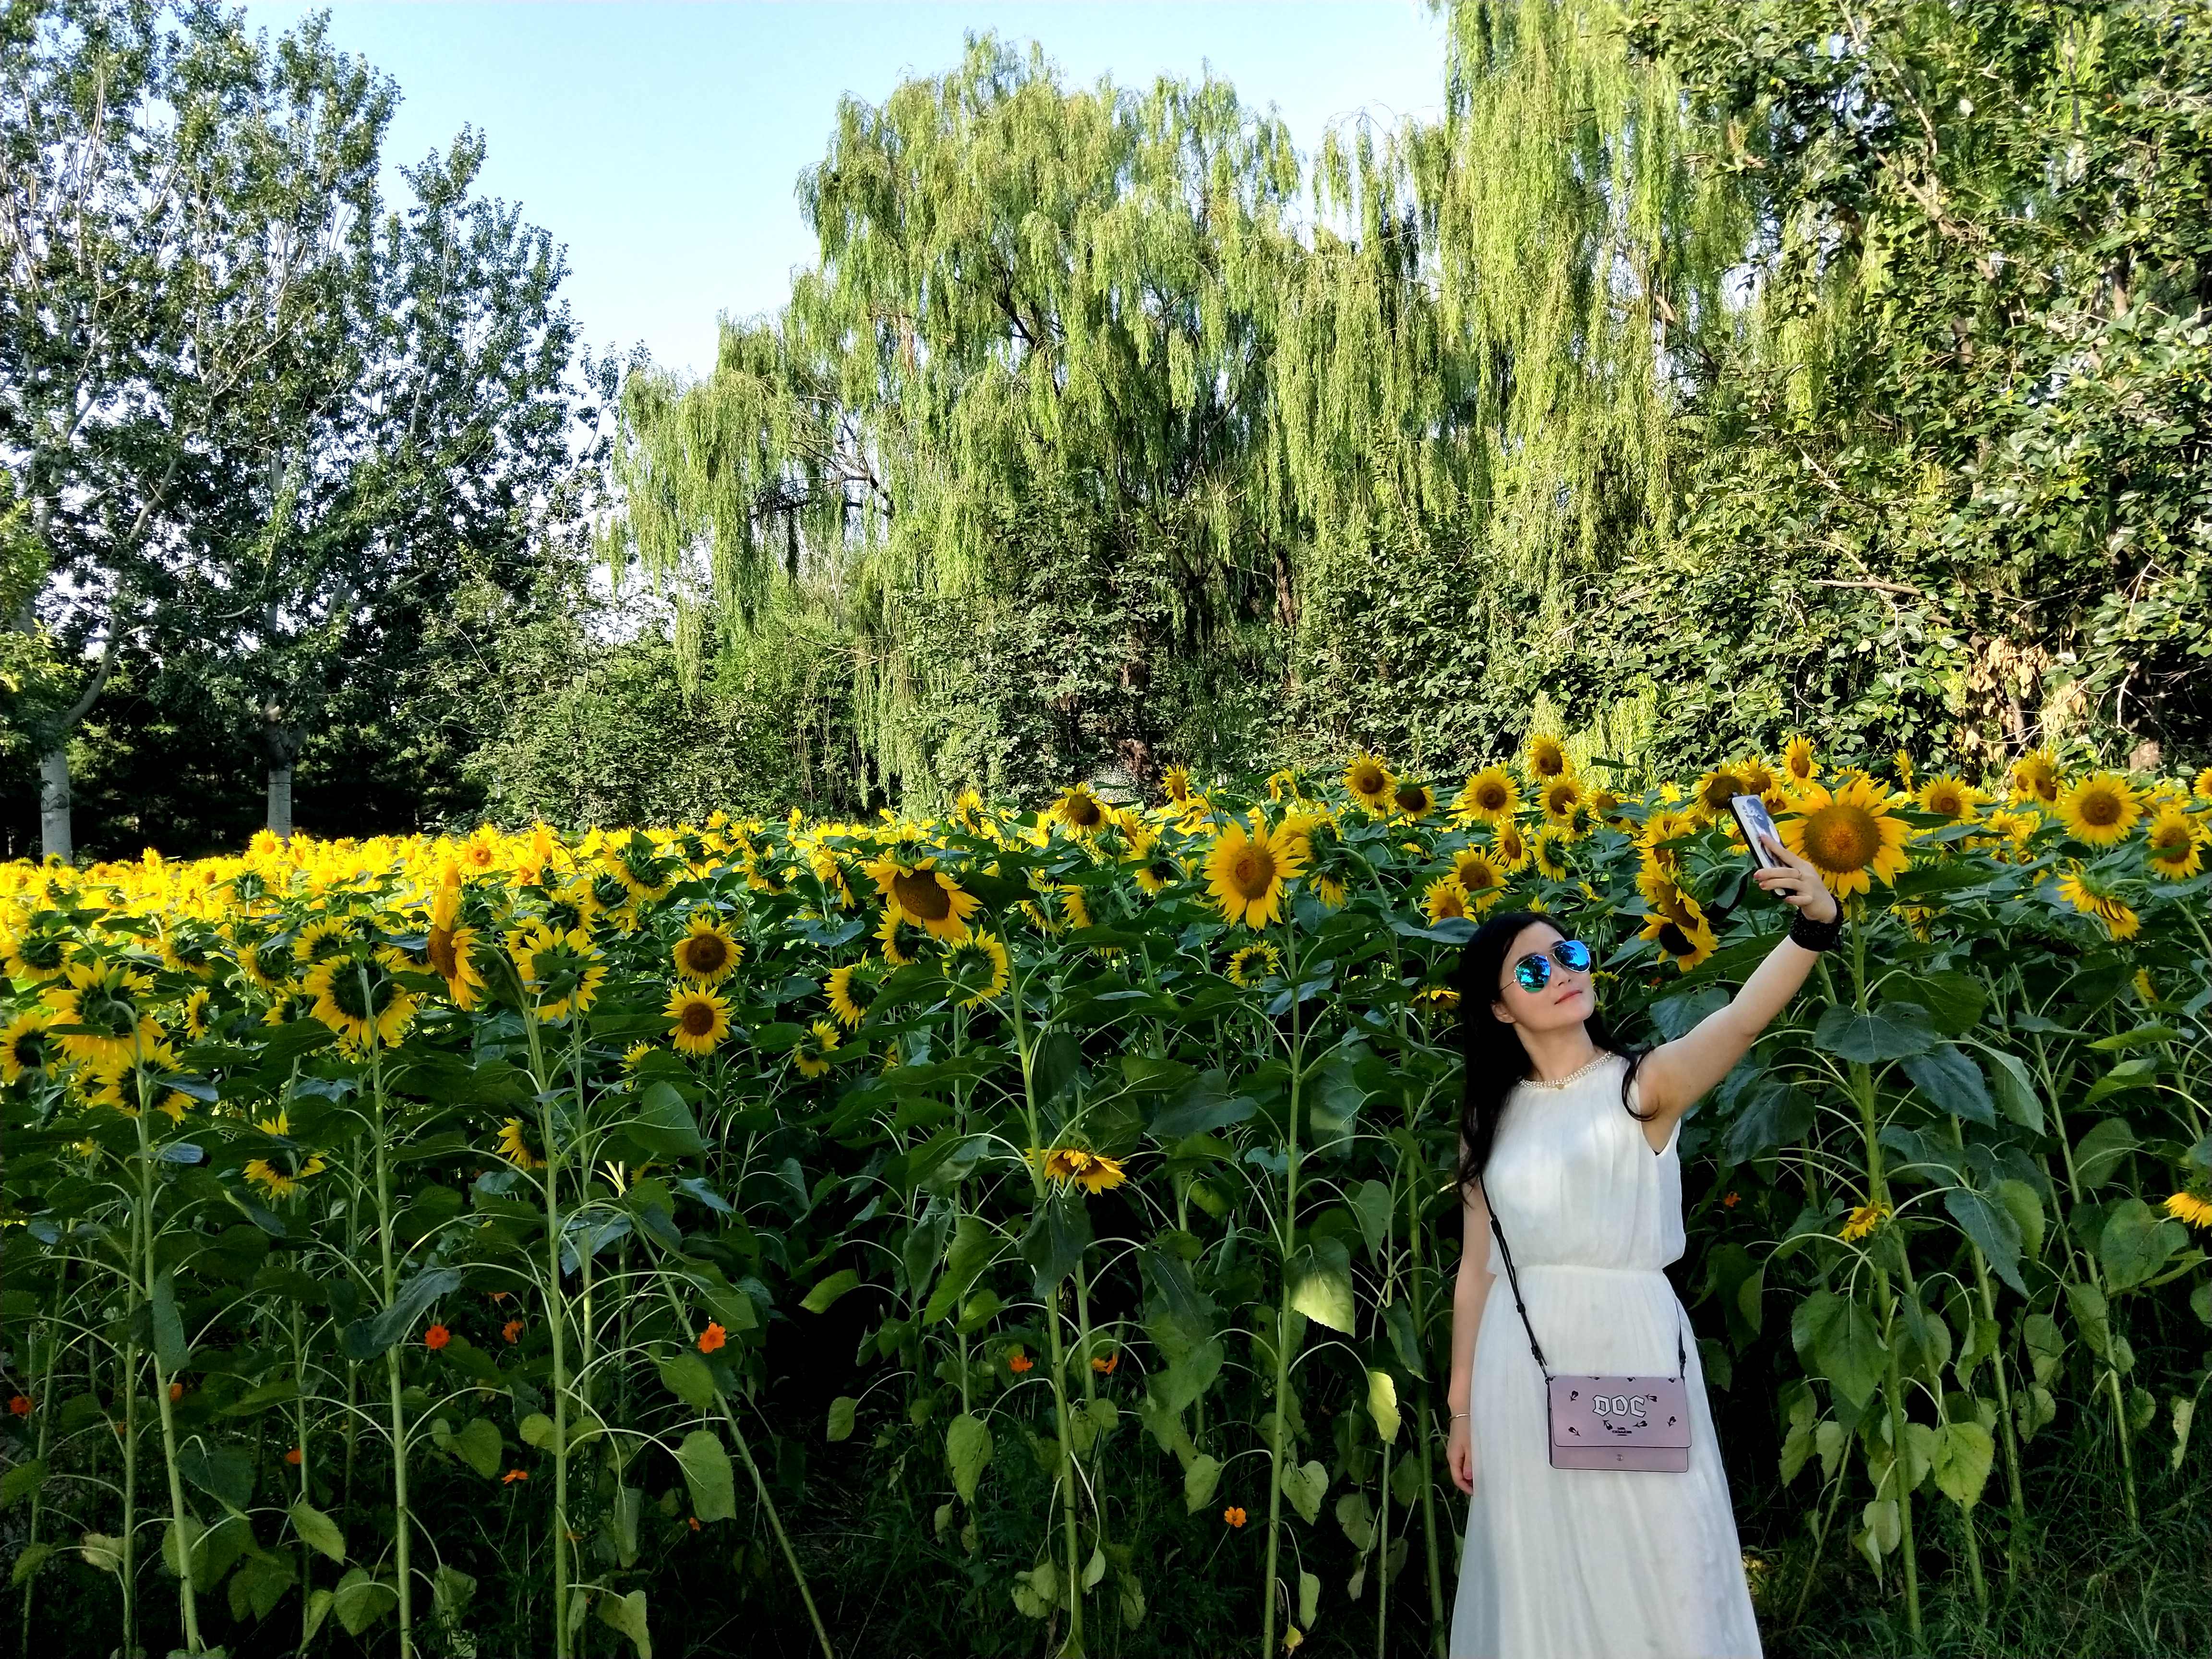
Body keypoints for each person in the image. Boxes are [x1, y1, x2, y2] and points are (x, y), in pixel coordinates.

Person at [1443, 829, 1842, 1659]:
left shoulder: (1643, 1087)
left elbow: (1740, 1021)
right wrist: (1462, 1406)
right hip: (1521, 1366)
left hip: (1633, 1350)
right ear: (1499, 1008)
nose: (1561, 974)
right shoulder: (1489, 1120)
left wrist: (1814, 927)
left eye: (1568, 955)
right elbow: (1476, 1271)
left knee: (1668, 1558)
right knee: (1539, 1566)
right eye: (1531, 971)